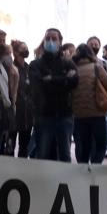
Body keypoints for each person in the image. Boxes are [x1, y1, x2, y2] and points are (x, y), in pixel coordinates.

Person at [30, 28, 79, 161]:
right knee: (43, 154)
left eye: (54, 39)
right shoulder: (35, 65)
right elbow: (39, 86)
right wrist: (64, 79)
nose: (50, 42)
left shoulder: (68, 62)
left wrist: (51, 79)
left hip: (65, 115)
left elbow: (74, 82)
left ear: (60, 41)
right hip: (44, 115)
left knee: (65, 154)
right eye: (47, 39)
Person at [71, 44, 107, 164]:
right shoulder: (97, 68)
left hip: (79, 115)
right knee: (100, 145)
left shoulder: (73, 69)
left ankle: (82, 170)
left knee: (83, 146)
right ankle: (95, 169)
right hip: (97, 113)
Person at [9, 40, 34, 158]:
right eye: (23, 49)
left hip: (27, 114)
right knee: (10, 146)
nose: (26, 51)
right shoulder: (10, 68)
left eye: (26, 48)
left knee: (24, 147)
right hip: (14, 112)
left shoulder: (29, 68)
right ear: (15, 52)